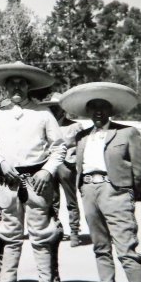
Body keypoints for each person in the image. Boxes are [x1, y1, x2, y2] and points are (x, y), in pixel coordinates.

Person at [60, 82, 141, 282]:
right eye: (93, 107)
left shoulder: (127, 133)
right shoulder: (82, 137)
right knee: (100, 248)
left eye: (103, 107)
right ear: (88, 111)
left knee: (127, 250)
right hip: (90, 193)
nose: (98, 111)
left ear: (111, 110)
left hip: (115, 192)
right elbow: (76, 165)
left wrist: (128, 194)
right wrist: (83, 189)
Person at [0, 61, 66, 282]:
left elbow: (59, 146)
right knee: (8, 235)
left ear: (29, 86)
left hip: (37, 182)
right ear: (5, 88)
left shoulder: (42, 113)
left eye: (21, 83)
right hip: (8, 181)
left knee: (42, 236)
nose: (17, 87)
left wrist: (46, 170)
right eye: (12, 83)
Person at [39, 92, 83, 246]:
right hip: (50, 166)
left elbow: (81, 148)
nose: (54, 111)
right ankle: (55, 230)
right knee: (52, 200)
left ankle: (75, 232)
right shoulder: (46, 125)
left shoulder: (74, 126)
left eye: (57, 108)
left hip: (67, 167)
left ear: (63, 110)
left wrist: (74, 162)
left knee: (71, 200)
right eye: (51, 108)